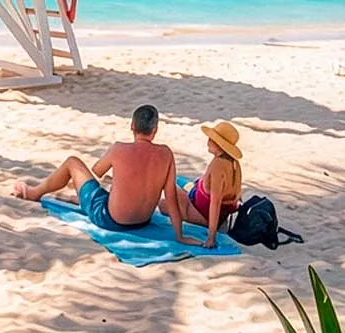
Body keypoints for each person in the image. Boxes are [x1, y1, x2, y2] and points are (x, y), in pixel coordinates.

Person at [13, 104, 177, 231]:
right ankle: (76, 199)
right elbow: (171, 197)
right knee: (116, 185)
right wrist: (180, 236)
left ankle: (35, 193)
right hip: (143, 221)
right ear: (154, 130)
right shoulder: (166, 154)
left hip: (110, 220)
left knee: (73, 162)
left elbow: (97, 171)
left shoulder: (119, 149)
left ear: (132, 126)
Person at [171, 121, 245, 248]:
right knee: (178, 180)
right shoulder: (234, 164)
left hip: (202, 214)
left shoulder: (218, 166)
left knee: (165, 198)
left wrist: (211, 238)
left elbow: (215, 202)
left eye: (211, 139)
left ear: (219, 145)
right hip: (205, 204)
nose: (208, 141)